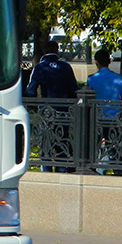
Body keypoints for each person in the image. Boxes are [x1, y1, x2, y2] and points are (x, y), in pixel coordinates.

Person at [26, 40, 78, 171]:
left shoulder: (40, 67)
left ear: (44, 51)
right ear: (57, 50)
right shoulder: (66, 67)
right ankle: (62, 169)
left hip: (46, 111)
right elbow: (74, 89)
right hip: (63, 110)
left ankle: (47, 172)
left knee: (46, 144)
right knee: (62, 141)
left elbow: (31, 90)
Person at [85, 48, 122, 172]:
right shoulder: (119, 79)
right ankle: (117, 170)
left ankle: (95, 169)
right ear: (109, 62)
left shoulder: (91, 79)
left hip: (97, 118)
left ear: (96, 62)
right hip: (114, 118)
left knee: (95, 146)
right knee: (114, 146)